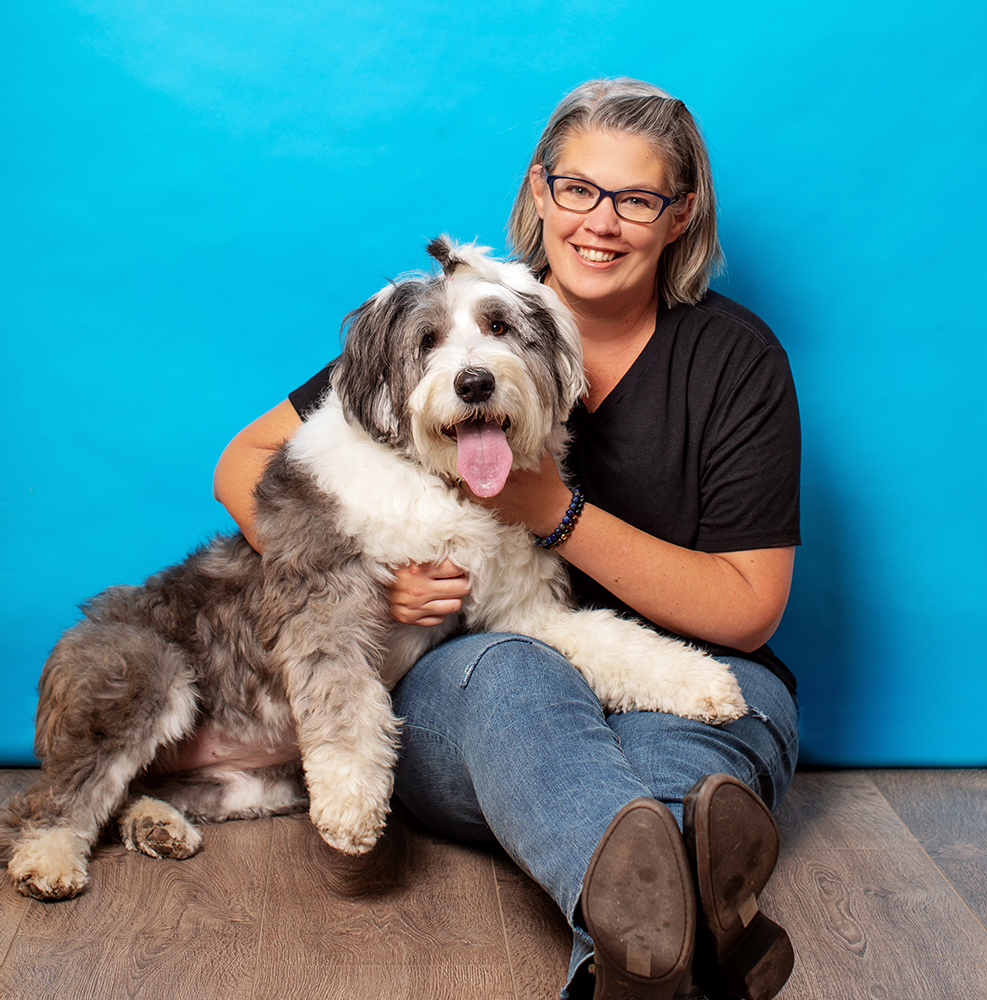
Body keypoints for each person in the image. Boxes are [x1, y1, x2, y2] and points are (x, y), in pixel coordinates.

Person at [214, 78, 801, 1000]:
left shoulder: (736, 362)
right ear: (538, 190)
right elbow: (244, 460)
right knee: (521, 682)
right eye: (578, 189)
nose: (601, 222)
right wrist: (362, 584)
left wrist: (554, 513)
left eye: (637, 199)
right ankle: (703, 912)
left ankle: (643, 951)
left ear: (678, 215)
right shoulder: (447, 325)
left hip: (685, 667)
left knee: (694, 741)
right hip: (489, 675)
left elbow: (749, 608)